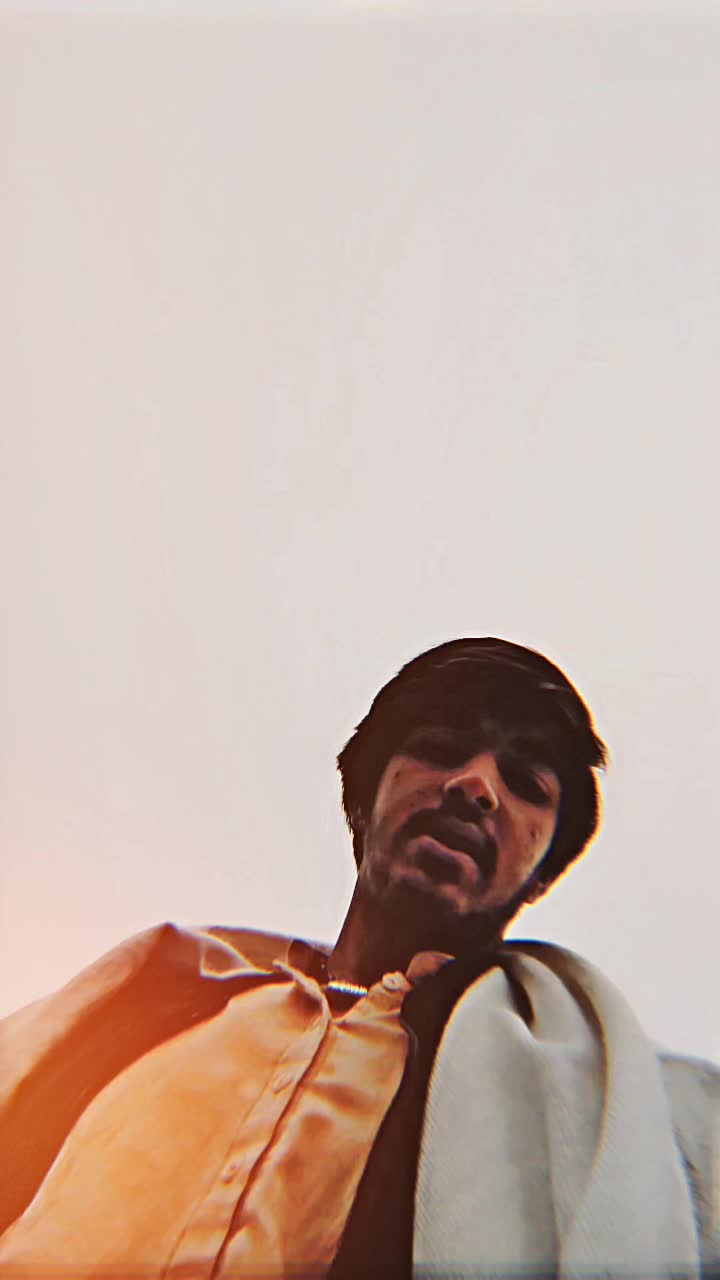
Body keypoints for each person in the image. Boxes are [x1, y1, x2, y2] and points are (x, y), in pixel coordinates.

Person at [0, 637, 717, 1279]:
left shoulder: (618, 1113)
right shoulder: (155, 1005)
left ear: (540, 874)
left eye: (525, 785)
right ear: (363, 799)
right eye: (441, 747)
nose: (476, 786)